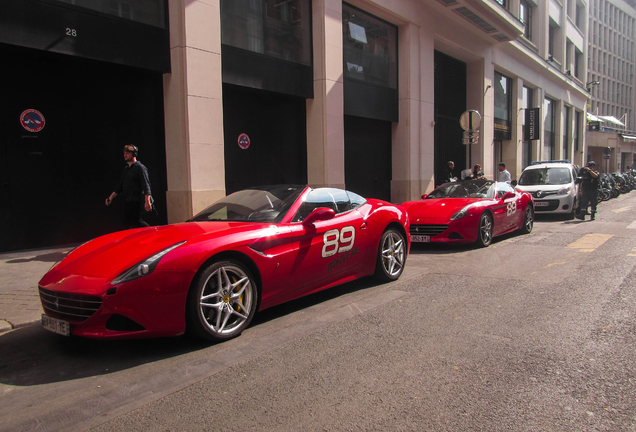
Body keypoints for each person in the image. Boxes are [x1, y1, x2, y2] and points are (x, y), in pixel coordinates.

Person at [106, 144, 152, 229]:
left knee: (136, 221)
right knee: (129, 223)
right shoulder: (126, 169)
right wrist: (110, 197)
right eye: (124, 153)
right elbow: (120, 186)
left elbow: (146, 185)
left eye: (127, 153)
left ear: (134, 154)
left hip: (137, 201)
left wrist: (147, 201)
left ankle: (153, 232)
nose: (125, 155)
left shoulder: (140, 168)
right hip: (128, 200)